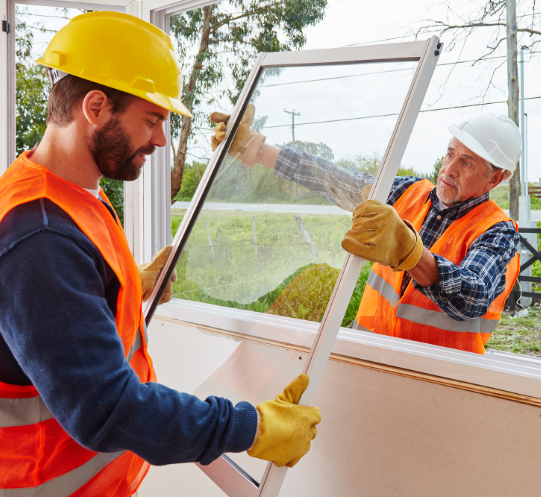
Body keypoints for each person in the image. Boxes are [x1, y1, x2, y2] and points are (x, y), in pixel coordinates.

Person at [0, 12, 320, 497]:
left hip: (80, 487)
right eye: (151, 120)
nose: (160, 140)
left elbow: (53, 315)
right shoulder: (38, 238)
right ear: (95, 106)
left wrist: (126, 283)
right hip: (28, 495)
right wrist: (250, 426)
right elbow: (105, 408)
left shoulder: (67, 192)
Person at [210, 107, 521, 354]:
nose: (449, 169)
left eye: (466, 163)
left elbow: (472, 295)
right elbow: (335, 180)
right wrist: (256, 150)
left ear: (495, 179)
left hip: (437, 382)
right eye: (450, 153)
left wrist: (410, 253)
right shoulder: (407, 192)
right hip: (371, 357)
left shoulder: (497, 232)